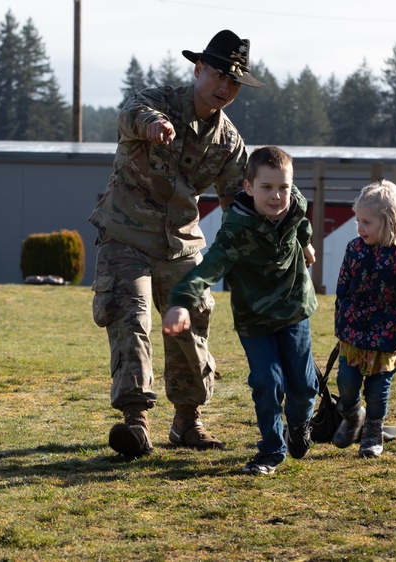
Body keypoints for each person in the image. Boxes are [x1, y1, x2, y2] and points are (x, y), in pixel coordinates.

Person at [89, 30, 263, 459]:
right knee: (131, 315)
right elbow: (129, 114)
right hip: (126, 236)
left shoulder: (228, 142)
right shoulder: (157, 102)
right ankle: (136, 423)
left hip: (181, 244)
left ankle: (187, 421)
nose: (225, 88)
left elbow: (236, 203)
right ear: (199, 68)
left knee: (191, 325)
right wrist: (153, 126)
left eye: (235, 82)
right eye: (220, 75)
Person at [163, 146, 318, 476]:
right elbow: (207, 269)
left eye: (283, 187)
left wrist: (305, 243)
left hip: (294, 311)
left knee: (303, 387)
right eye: (266, 188)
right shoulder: (235, 232)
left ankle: (300, 424)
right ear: (248, 187)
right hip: (255, 320)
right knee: (268, 383)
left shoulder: (295, 204)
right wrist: (180, 303)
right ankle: (271, 451)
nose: (277, 196)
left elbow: (300, 219)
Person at [332, 180, 396, 458]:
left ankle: (372, 432)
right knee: (346, 381)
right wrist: (341, 320)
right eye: (358, 220)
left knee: (378, 389)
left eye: (367, 222)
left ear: (389, 222)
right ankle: (353, 415)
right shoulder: (354, 248)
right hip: (354, 331)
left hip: (388, 332)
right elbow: (343, 286)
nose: (360, 227)